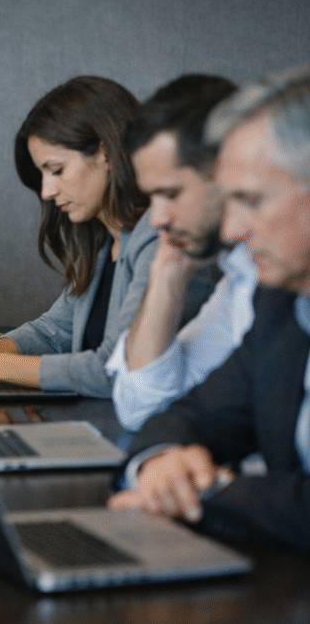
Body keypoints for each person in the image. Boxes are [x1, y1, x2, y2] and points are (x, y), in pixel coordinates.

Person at [108, 64, 310, 550]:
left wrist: (205, 494)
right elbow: (193, 414)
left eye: (251, 200)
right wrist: (159, 463)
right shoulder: (282, 307)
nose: (230, 231)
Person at [0, 76, 187, 398]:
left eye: (56, 170)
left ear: (106, 153)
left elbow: (113, 367)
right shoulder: (101, 242)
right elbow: (53, 331)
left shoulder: (160, 237)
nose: (46, 191)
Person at [105, 75, 254, 431]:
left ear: (227, 173)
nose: (156, 220)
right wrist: (167, 275)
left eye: (170, 194)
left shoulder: (266, 276)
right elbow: (142, 409)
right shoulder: (241, 277)